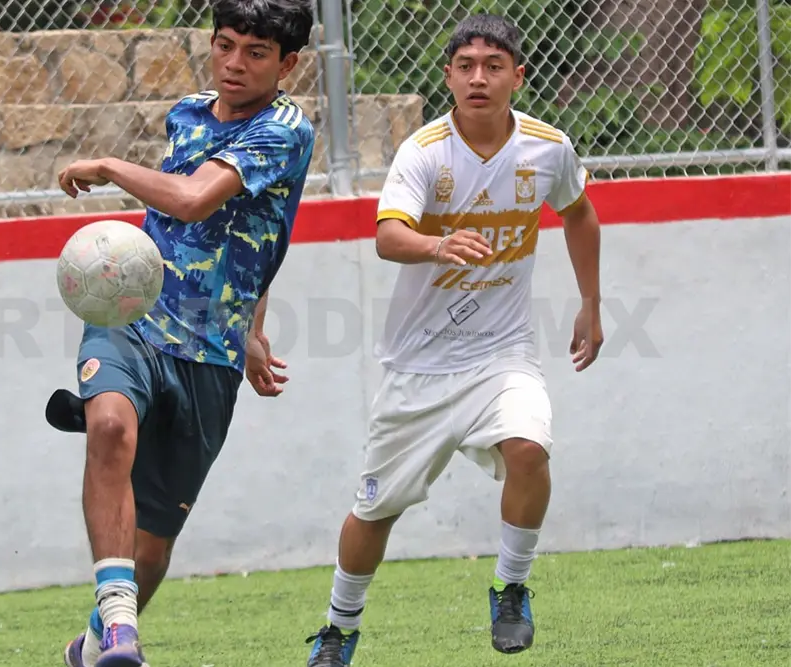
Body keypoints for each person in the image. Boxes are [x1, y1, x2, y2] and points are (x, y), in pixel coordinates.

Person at [291, 13, 604, 666]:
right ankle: (337, 628)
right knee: (373, 512)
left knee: (528, 448)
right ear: (447, 77)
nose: (478, 77)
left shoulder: (547, 148)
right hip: (419, 367)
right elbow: (386, 236)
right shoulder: (424, 152)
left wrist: (590, 303)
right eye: (465, 66)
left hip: (501, 352)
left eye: (493, 65)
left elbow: (578, 212)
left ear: (518, 75)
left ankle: (510, 585)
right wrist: (437, 243)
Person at [46, 1, 315, 665]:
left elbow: (210, 208)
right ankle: (119, 629)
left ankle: (89, 642)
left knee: (154, 545)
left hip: (209, 349)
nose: (233, 63)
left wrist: (110, 168)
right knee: (109, 426)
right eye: (224, 45)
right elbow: (228, 230)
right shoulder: (187, 112)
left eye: (255, 53)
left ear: (288, 64)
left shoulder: (285, 128)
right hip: (131, 315)